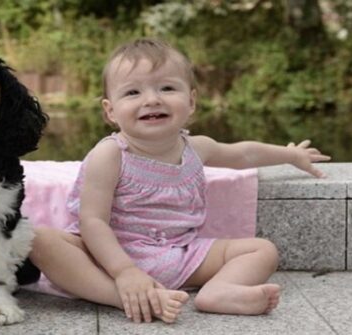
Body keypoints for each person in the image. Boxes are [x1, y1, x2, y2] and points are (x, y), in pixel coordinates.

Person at [29, 38, 331, 324]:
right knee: (39, 239)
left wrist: (290, 155)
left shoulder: (196, 148)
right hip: (109, 259)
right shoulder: (110, 154)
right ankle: (127, 297)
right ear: (110, 111)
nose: (152, 99)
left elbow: (243, 154)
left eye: (167, 88)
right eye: (133, 93)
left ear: (191, 101)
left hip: (180, 255)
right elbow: (92, 221)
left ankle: (219, 291)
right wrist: (125, 271)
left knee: (262, 250)